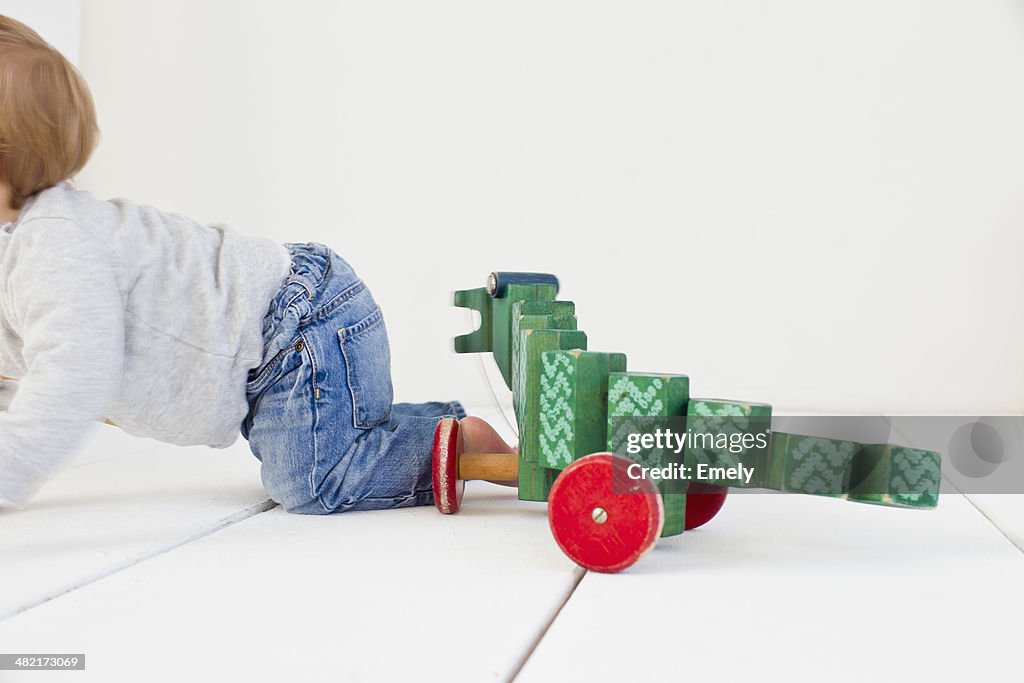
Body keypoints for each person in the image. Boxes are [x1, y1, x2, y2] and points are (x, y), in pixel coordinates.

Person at [0, 14, 514, 513]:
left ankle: (455, 447)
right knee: (313, 454)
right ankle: (436, 435)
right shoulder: (26, 246)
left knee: (313, 482)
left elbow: (71, 378)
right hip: (281, 338)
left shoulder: (56, 246)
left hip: (297, 328)